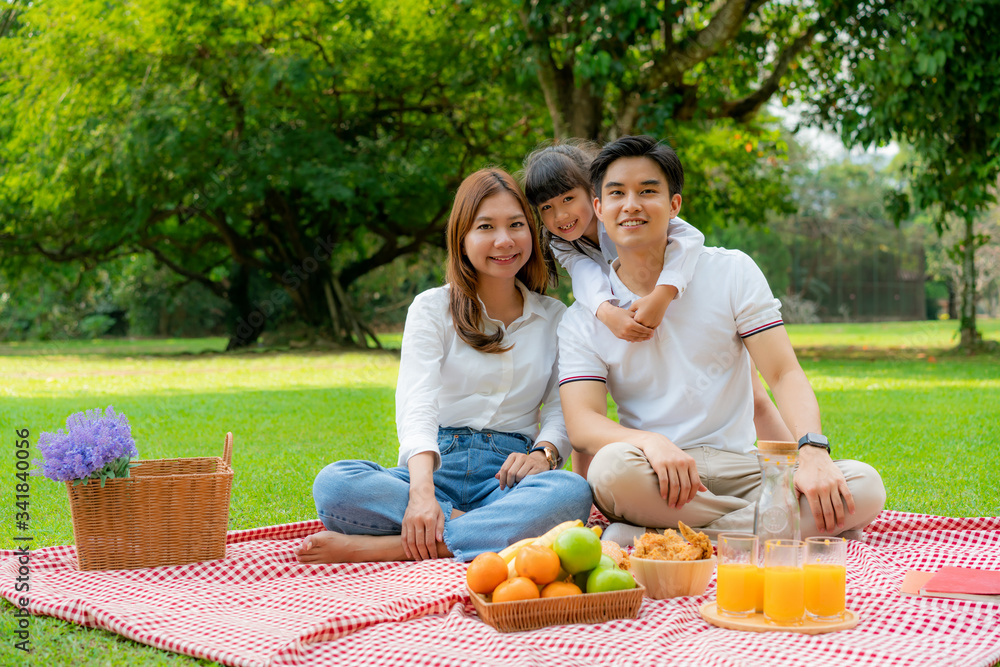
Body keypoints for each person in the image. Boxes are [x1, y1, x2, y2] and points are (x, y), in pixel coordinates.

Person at [557, 135, 886, 545]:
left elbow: (783, 373)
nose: (632, 205)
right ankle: (779, 528)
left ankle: (659, 535)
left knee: (864, 486)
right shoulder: (583, 318)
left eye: (647, 191)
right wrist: (652, 443)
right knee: (610, 470)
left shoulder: (731, 272)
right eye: (617, 193)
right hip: (654, 472)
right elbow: (583, 423)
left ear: (675, 205)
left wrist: (812, 453)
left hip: (741, 467)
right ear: (599, 209)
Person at [296, 168, 593, 564]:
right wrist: (420, 493)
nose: (504, 240)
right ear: (462, 238)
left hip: (507, 478)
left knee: (570, 493)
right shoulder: (432, 307)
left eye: (516, 225)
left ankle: (400, 546)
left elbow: (561, 407)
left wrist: (544, 455)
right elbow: (417, 401)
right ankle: (483, 531)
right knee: (335, 485)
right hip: (435, 468)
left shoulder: (556, 317)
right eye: (486, 226)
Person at [521, 142, 794, 480]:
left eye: (567, 200)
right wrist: (606, 313)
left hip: (680, 300)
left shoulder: (636, 215)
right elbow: (585, 275)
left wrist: (663, 296)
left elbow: (689, 243)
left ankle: (795, 470)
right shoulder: (562, 240)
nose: (560, 216)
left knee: (753, 395)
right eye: (547, 208)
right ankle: (588, 494)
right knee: (588, 409)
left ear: (591, 194)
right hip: (621, 313)